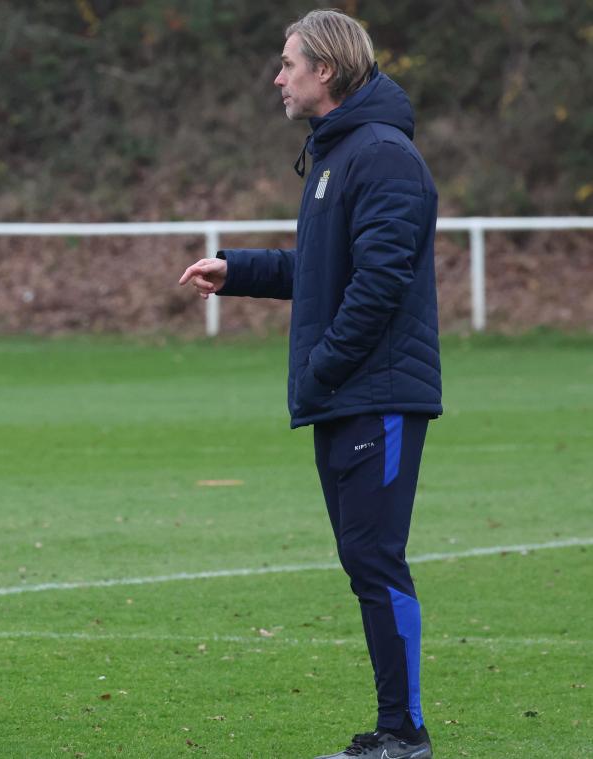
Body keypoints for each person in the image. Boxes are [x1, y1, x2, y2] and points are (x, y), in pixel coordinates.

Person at [178, 10, 440, 759]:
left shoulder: (382, 156)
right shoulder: (335, 155)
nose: (277, 78)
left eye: (286, 64)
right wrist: (241, 270)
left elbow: (381, 282)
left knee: (374, 558)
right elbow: (322, 271)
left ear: (323, 70)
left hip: (375, 393)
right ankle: (396, 728)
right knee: (364, 559)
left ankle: (404, 733)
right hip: (347, 393)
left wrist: (323, 364)